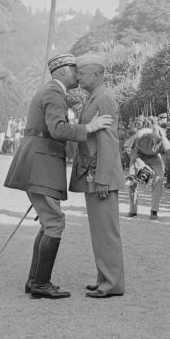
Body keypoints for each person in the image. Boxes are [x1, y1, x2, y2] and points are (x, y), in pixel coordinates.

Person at [3, 53, 113, 300]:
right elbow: (57, 129)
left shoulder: (49, 91)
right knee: (54, 223)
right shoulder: (54, 93)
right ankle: (41, 283)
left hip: (38, 160)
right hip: (42, 162)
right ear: (62, 71)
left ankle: (35, 281)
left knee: (48, 222)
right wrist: (90, 128)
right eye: (75, 69)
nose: (78, 73)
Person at [69, 54, 126, 298]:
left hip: (100, 175)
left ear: (97, 74)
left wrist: (103, 177)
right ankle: (104, 277)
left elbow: (109, 141)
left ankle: (112, 283)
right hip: (93, 172)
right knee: (99, 230)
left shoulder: (103, 98)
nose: (78, 77)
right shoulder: (94, 97)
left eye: (82, 73)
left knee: (106, 232)